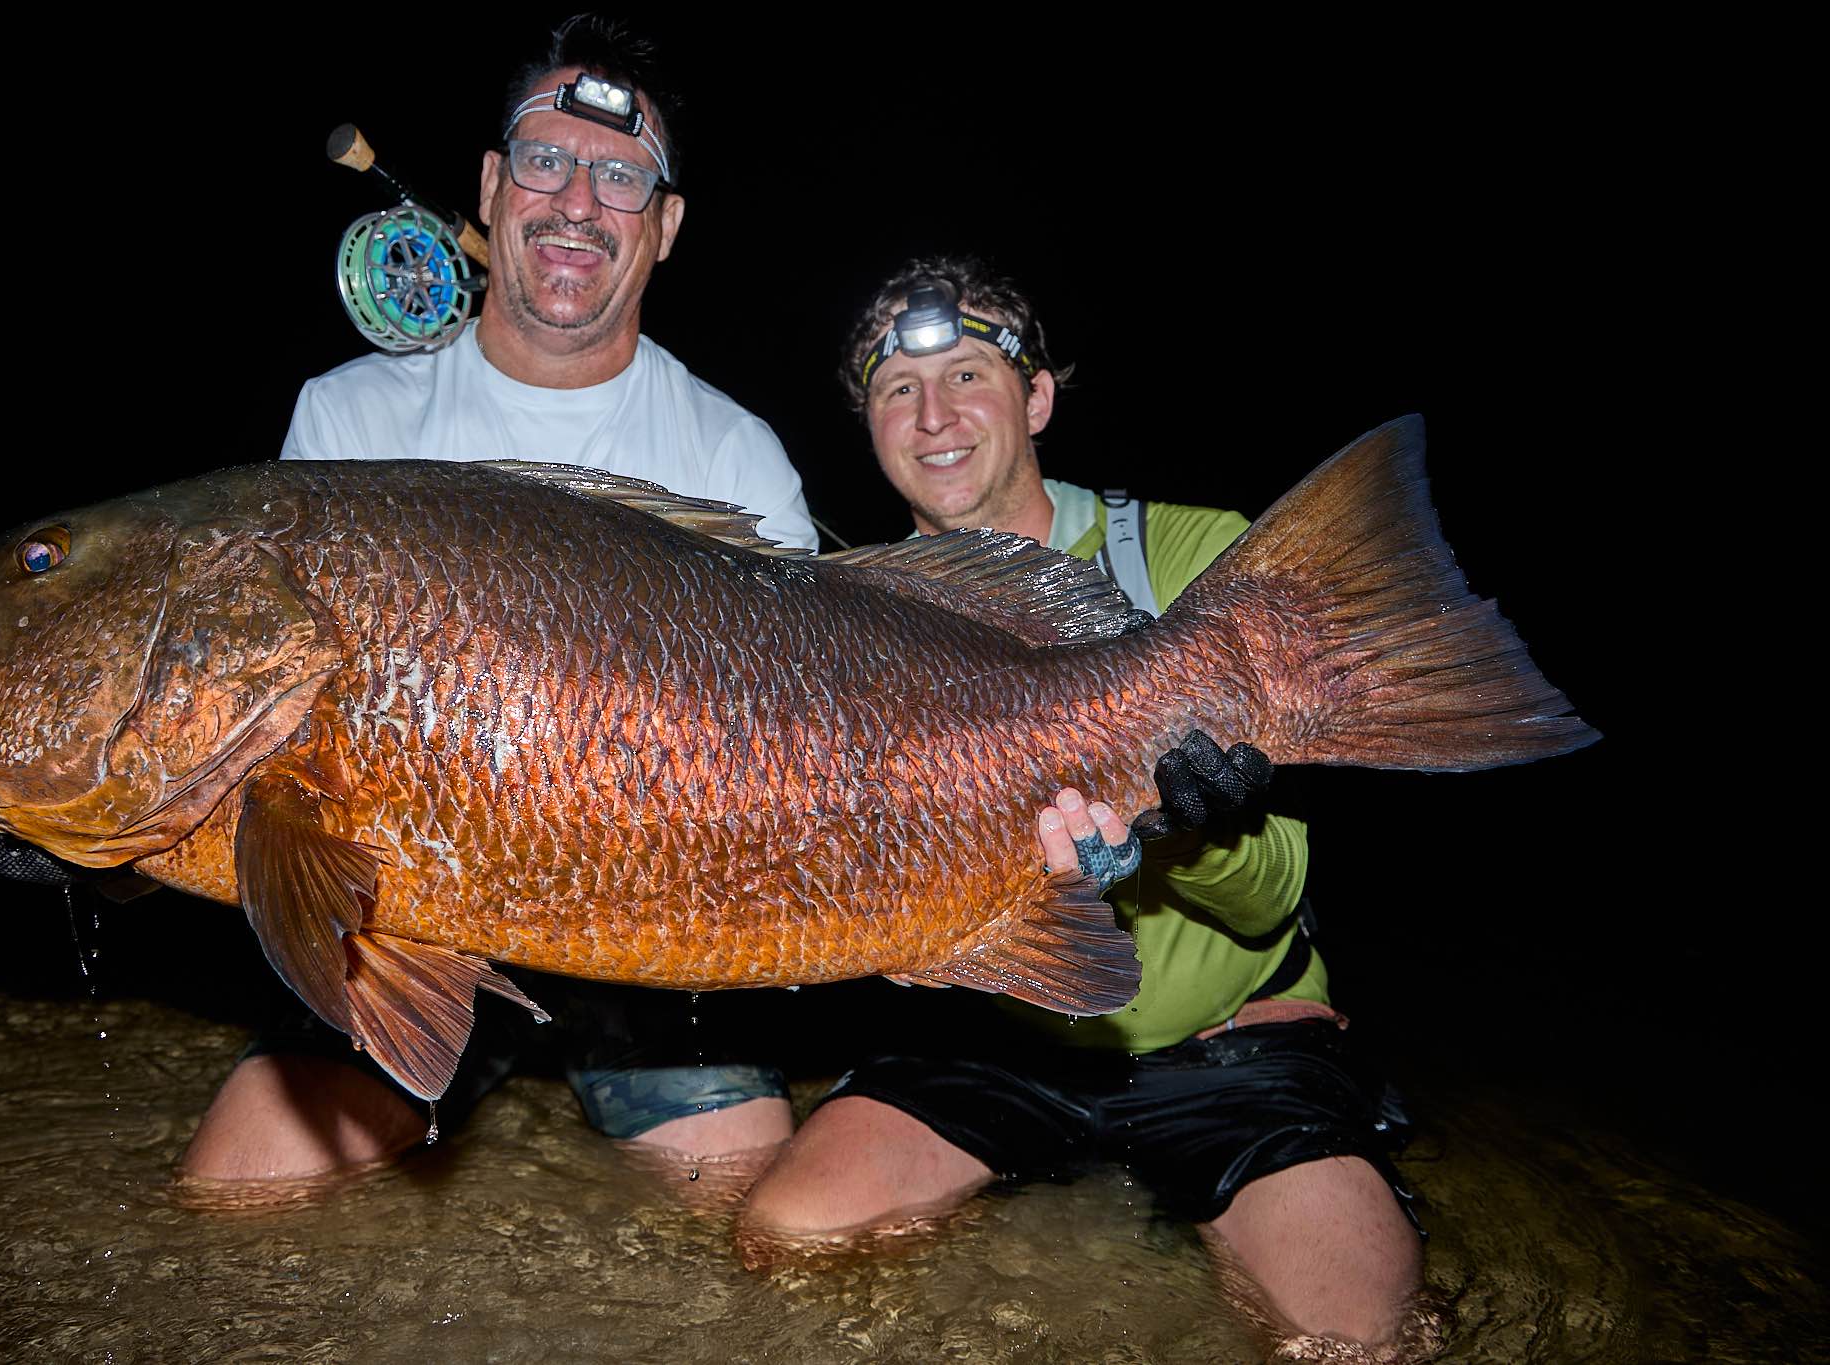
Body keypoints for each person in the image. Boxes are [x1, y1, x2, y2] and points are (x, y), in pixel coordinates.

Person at [741, 257, 1423, 1349]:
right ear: (865, 424)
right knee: (787, 1239)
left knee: (1357, 1333)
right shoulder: (841, 616)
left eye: (967, 375)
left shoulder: (1193, 562)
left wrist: (1188, 838)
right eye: (895, 391)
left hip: (1224, 1041)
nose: (933, 417)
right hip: (997, 1036)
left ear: (1038, 397)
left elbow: (1270, 900)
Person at [179, 15, 815, 1183]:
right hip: (410, 931)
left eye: (622, 176)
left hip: (647, 942)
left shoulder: (734, 455)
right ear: (490, 183)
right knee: (236, 1191)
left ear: (664, 227)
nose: (578, 199)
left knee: (747, 1206)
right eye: (544, 159)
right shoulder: (349, 421)